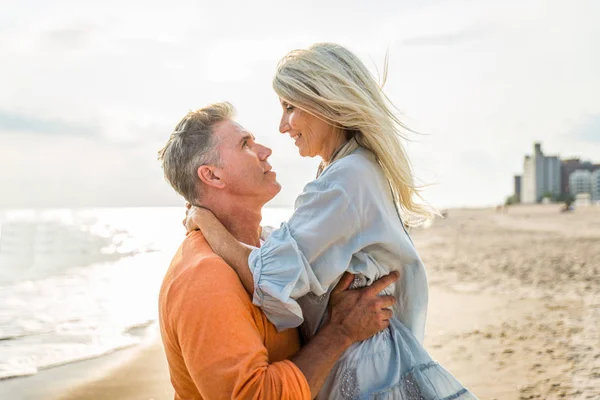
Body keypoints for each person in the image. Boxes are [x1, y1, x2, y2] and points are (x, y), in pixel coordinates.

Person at [187, 43, 477, 399]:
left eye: (290, 107)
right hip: (371, 355)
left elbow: (268, 278)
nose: (281, 127)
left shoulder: (346, 180)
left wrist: (205, 221)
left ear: (325, 102)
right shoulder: (350, 170)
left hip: (363, 367)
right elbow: (307, 253)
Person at [157, 102, 400, 400]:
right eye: (245, 144)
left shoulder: (267, 247)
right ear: (213, 176)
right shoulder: (204, 276)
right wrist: (341, 332)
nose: (265, 150)